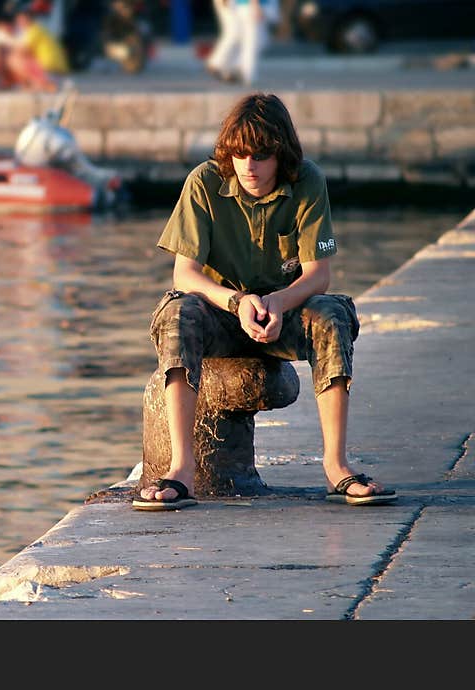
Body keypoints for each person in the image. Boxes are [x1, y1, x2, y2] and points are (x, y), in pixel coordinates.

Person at [133, 92, 397, 511]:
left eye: (260, 155)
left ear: (282, 154)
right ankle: (182, 469)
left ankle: (336, 466)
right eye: (239, 155)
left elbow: (318, 275)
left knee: (331, 314)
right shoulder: (204, 182)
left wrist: (277, 303)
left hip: (284, 314)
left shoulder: (308, 181)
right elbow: (185, 274)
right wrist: (237, 302)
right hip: (221, 314)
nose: (249, 166)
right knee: (178, 311)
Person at [205, 0, 278, 86]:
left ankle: (234, 68)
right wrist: (255, 5)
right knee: (249, 41)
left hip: (246, 6)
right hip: (248, 7)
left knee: (258, 40)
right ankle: (244, 73)